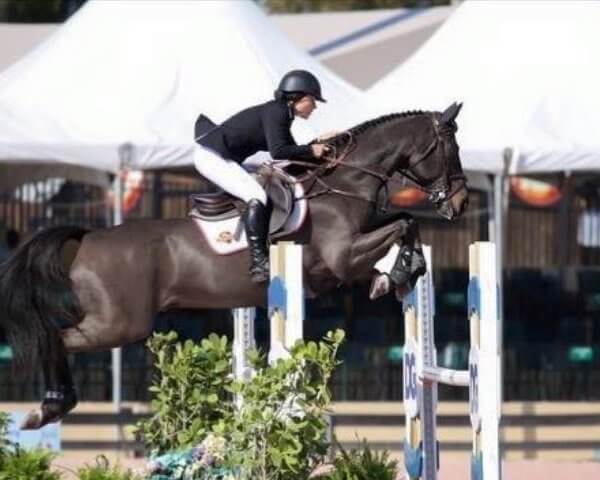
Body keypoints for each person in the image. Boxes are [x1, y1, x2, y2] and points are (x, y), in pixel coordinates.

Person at [193, 69, 330, 283]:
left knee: (264, 186)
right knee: (256, 195)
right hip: (212, 157)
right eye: (313, 100)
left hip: (224, 157)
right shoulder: (277, 112)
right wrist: (312, 150)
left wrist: (317, 144)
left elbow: (289, 153)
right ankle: (259, 263)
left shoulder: (281, 113)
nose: (315, 106)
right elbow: (279, 151)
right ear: (298, 97)